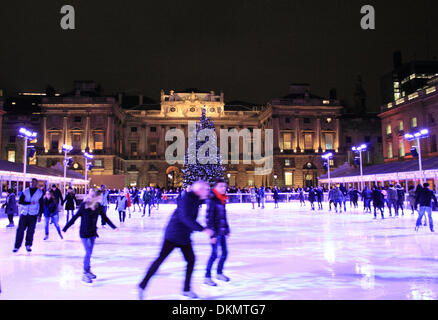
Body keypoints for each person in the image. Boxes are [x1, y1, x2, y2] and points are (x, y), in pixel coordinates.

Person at [138, 181, 214, 299]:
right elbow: (185, 218)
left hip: (184, 236)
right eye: (205, 189)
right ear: (199, 190)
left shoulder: (195, 198)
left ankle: (186, 289)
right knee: (160, 259)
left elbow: (207, 198)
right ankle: (142, 285)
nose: (207, 191)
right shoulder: (186, 199)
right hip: (173, 235)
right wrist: (203, 229)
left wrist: (216, 195)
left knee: (191, 260)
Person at [63, 189, 118, 283]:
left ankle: (88, 271)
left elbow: (105, 218)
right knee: (88, 252)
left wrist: (113, 227)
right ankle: (85, 273)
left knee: (89, 253)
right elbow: (75, 217)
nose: (100, 199)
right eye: (98, 197)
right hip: (84, 233)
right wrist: (65, 228)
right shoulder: (84, 206)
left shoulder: (98, 207)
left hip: (92, 233)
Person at [204, 179, 231, 286]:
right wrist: (212, 234)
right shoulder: (212, 199)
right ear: (215, 188)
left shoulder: (221, 199)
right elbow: (208, 218)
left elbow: (223, 216)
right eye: (221, 186)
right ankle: (207, 276)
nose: (223, 188)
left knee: (224, 253)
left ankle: (219, 273)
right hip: (215, 232)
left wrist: (227, 229)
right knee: (214, 254)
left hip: (222, 231)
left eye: (224, 186)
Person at [13, 178, 44, 253]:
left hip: (33, 215)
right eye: (31, 182)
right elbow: (20, 201)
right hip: (24, 213)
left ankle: (28, 245)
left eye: (34, 183)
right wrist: (29, 203)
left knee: (31, 231)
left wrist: (40, 215)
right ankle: (17, 246)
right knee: (20, 230)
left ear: (37, 184)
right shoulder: (25, 191)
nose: (33, 184)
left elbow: (41, 204)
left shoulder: (39, 193)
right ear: (30, 183)